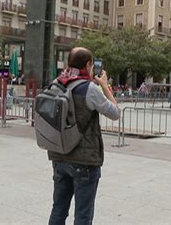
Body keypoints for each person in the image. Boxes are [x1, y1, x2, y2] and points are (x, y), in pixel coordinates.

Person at [48, 47, 120, 225]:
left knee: (58, 209)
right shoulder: (90, 89)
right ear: (88, 65)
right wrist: (104, 85)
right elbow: (115, 113)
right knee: (83, 216)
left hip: (59, 156)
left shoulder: (56, 83)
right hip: (84, 162)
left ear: (68, 64)